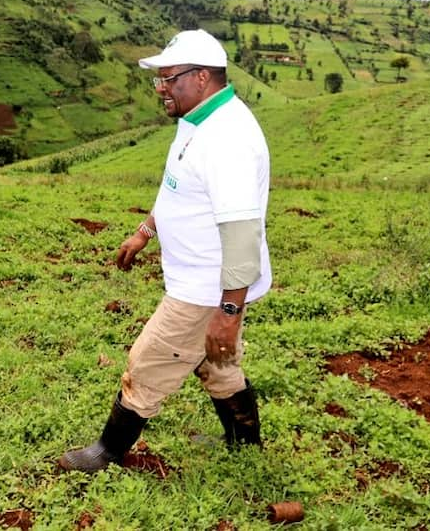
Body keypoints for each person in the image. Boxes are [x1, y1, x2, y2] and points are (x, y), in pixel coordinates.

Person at [59, 29, 272, 472]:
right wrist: (145, 231)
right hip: (203, 278)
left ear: (200, 78)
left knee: (148, 361)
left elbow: (241, 233)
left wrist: (228, 314)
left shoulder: (227, 138)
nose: (160, 89)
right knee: (217, 364)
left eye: (168, 78)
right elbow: (176, 188)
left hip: (207, 286)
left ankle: (107, 451)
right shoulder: (197, 120)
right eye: (159, 79)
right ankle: (246, 447)